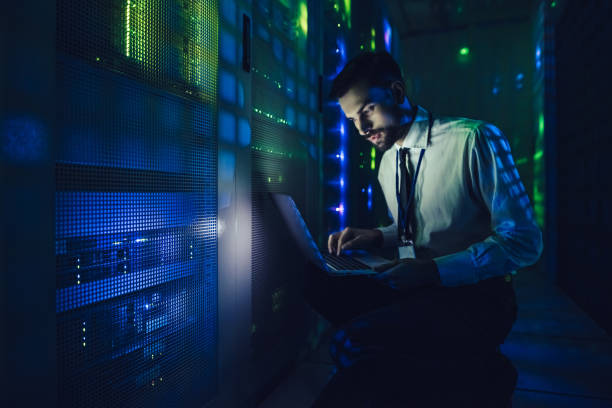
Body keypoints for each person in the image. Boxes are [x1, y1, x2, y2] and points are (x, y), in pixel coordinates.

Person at [305, 51, 543, 407]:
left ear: (397, 93)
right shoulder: (387, 163)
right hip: (415, 289)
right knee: (315, 281)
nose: (361, 129)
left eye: (367, 110)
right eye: (354, 118)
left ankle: (474, 371)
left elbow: (524, 241)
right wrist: (377, 236)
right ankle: (458, 367)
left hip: (479, 298)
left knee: (350, 344)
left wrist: (434, 271)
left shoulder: (474, 139)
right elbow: (416, 229)